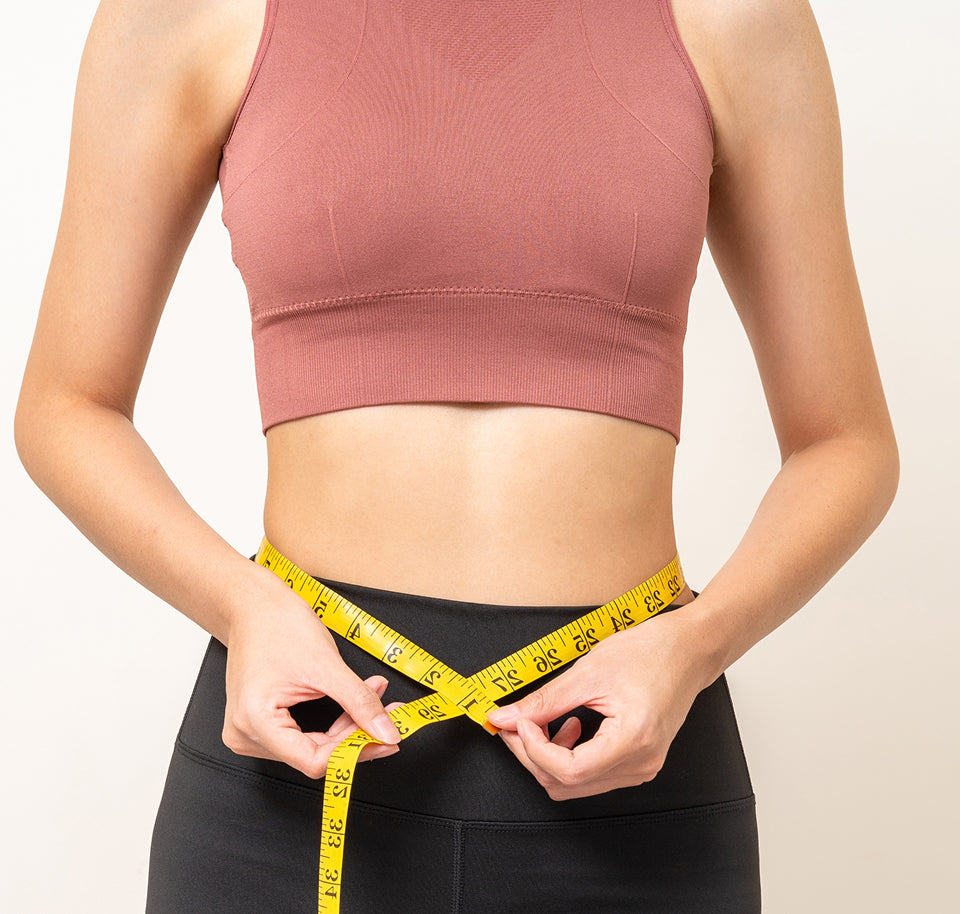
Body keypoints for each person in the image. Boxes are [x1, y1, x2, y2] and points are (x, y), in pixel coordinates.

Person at [14, 0, 898, 911]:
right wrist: (243, 609)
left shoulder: (733, 16)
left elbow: (846, 443)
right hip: (300, 755)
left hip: (634, 761)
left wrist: (693, 647)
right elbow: (65, 406)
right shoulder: (188, 13)